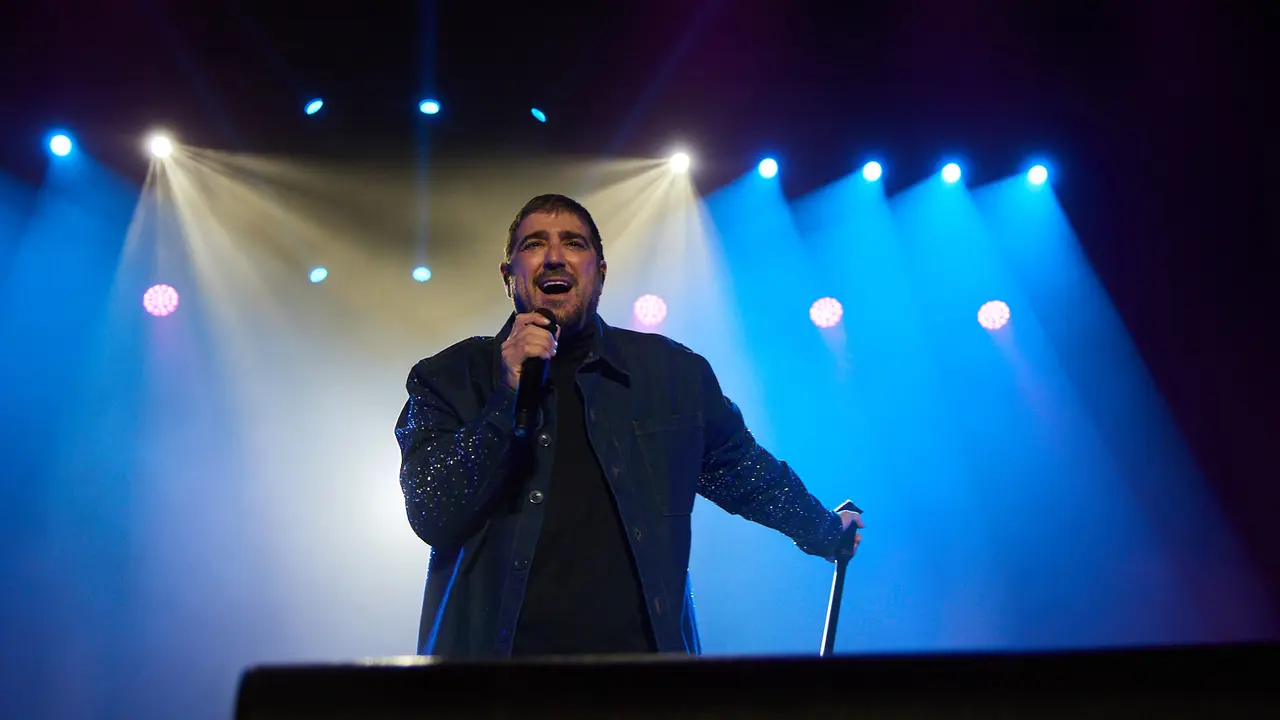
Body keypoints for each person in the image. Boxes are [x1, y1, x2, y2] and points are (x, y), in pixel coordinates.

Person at [395, 193, 863, 659]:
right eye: (534, 244)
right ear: (508, 275)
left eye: (573, 243)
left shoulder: (671, 374)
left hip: (641, 678)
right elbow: (432, 511)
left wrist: (825, 530)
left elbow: (745, 472)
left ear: (599, 272)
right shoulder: (448, 377)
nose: (554, 257)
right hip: (495, 682)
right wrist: (506, 398)